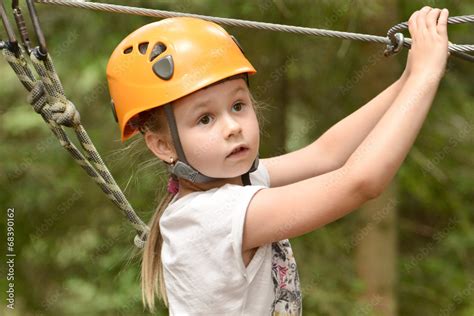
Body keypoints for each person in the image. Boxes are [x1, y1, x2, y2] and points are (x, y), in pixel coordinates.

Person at [106, 6, 449, 315]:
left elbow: (326, 154)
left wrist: (407, 80)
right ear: (163, 145)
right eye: (205, 119)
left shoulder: (238, 184)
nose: (231, 127)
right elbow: (360, 182)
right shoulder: (212, 217)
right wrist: (424, 76)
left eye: (238, 106)